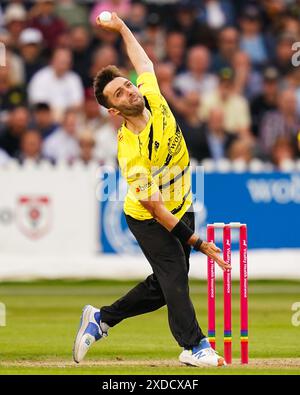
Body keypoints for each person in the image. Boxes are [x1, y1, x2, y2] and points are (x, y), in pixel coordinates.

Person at [73, 13, 230, 368]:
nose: (129, 91)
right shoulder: (129, 150)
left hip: (182, 203)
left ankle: (102, 319)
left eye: (127, 85)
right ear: (114, 111)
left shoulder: (152, 96)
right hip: (147, 217)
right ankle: (195, 346)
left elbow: (142, 60)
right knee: (174, 270)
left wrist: (121, 27)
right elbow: (156, 209)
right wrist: (199, 243)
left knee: (163, 287)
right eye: (119, 94)